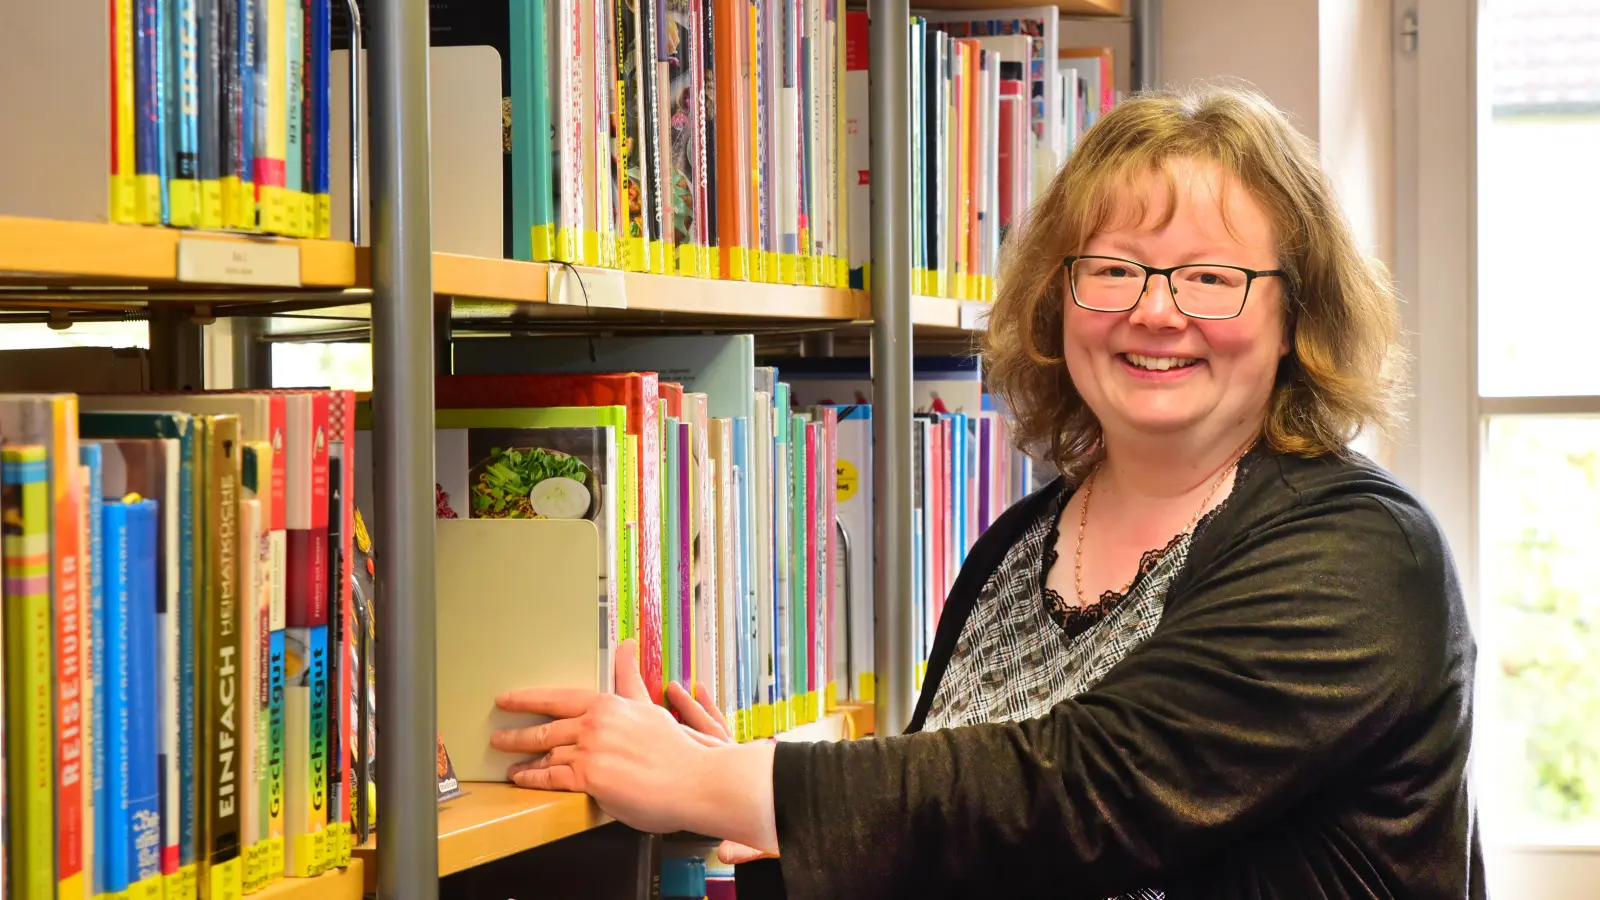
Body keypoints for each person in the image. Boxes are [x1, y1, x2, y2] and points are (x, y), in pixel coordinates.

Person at [490, 85, 1486, 899]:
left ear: (1294, 312)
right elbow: (964, 841)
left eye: (1210, 279)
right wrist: (762, 817)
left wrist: (723, 784)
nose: (1154, 312)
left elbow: (1082, 795)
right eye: (1114, 270)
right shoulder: (1018, 546)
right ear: (1059, 301)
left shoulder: (1360, 553)